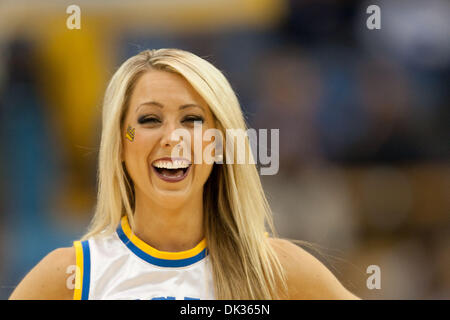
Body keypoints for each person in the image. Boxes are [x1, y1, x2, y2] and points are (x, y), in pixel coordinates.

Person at [9, 49, 360, 300]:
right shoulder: (71, 276)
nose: (173, 137)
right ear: (119, 144)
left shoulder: (274, 269)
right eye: (149, 120)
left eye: (192, 119)